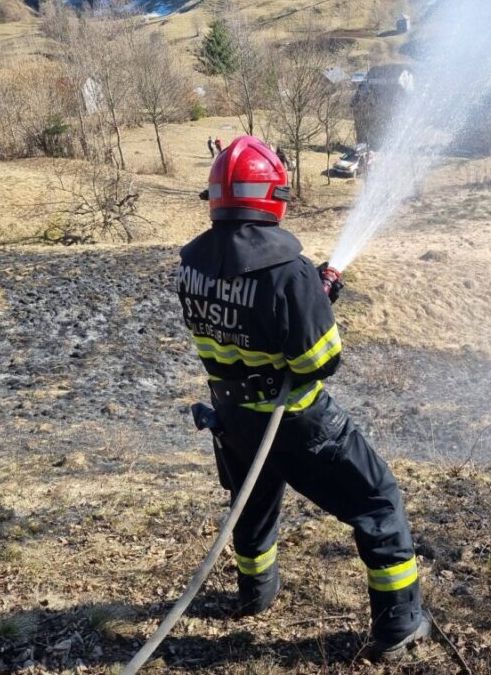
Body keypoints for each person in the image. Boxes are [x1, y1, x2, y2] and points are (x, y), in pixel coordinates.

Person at [176, 135, 430, 661]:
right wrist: (313, 302)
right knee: (378, 500)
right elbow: (319, 362)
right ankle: (399, 626)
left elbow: (244, 319)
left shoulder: (191, 265)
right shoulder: (287, 271)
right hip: (297, 421)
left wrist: (309, 297)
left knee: (254, 503)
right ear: (272, 194)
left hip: (233, 418)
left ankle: (256, 592)